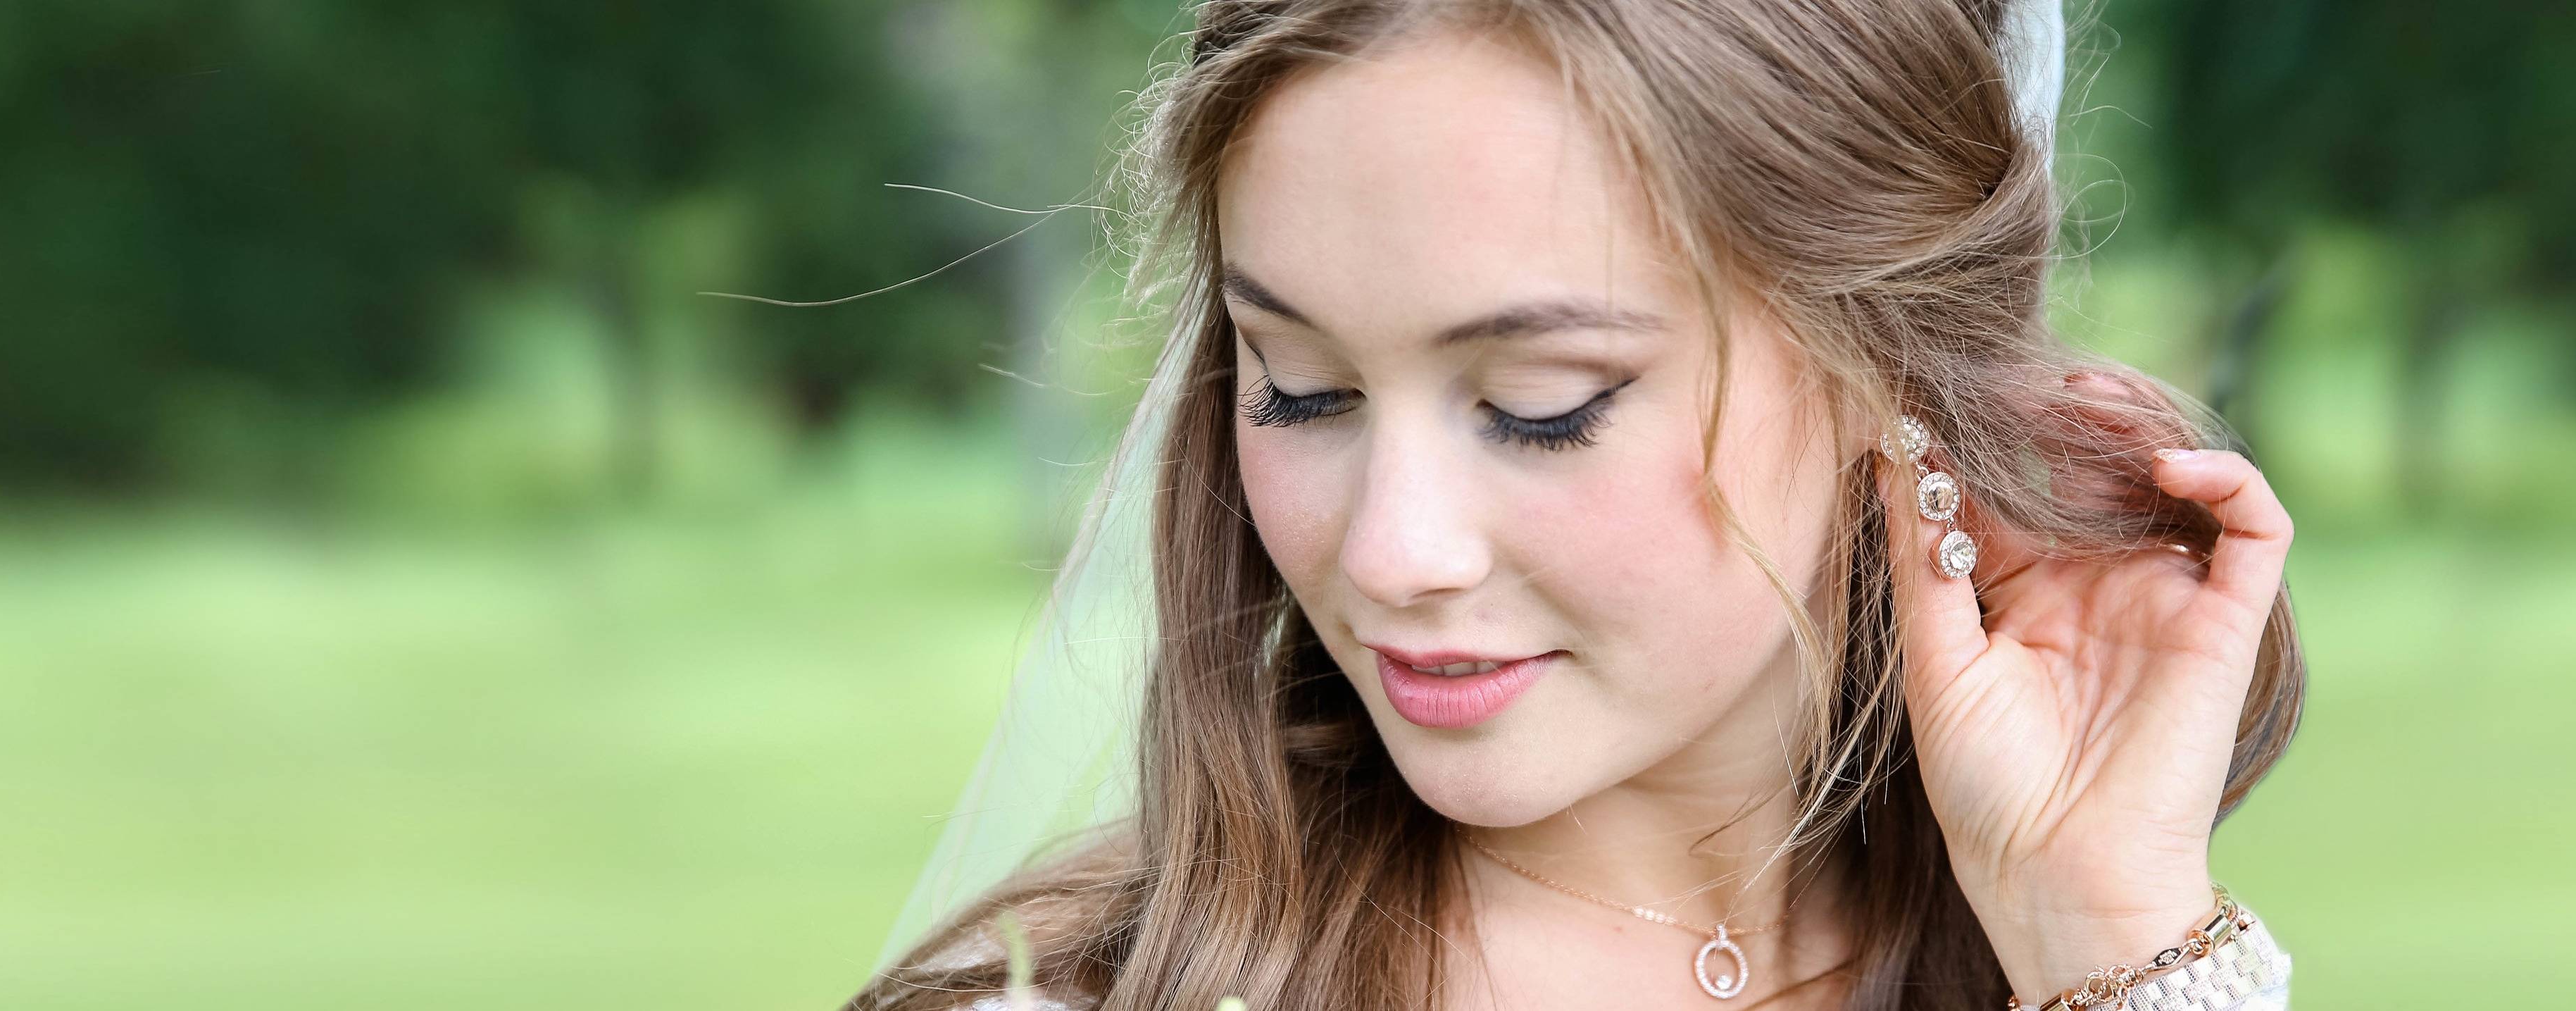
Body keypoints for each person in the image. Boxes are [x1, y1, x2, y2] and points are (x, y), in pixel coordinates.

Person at [848, 1, 2305, 1007]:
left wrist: (2106, 937)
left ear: (1887, 367)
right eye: (1300, 387)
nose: (1393, 553)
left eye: (1542, 405)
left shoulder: (2064, 945)